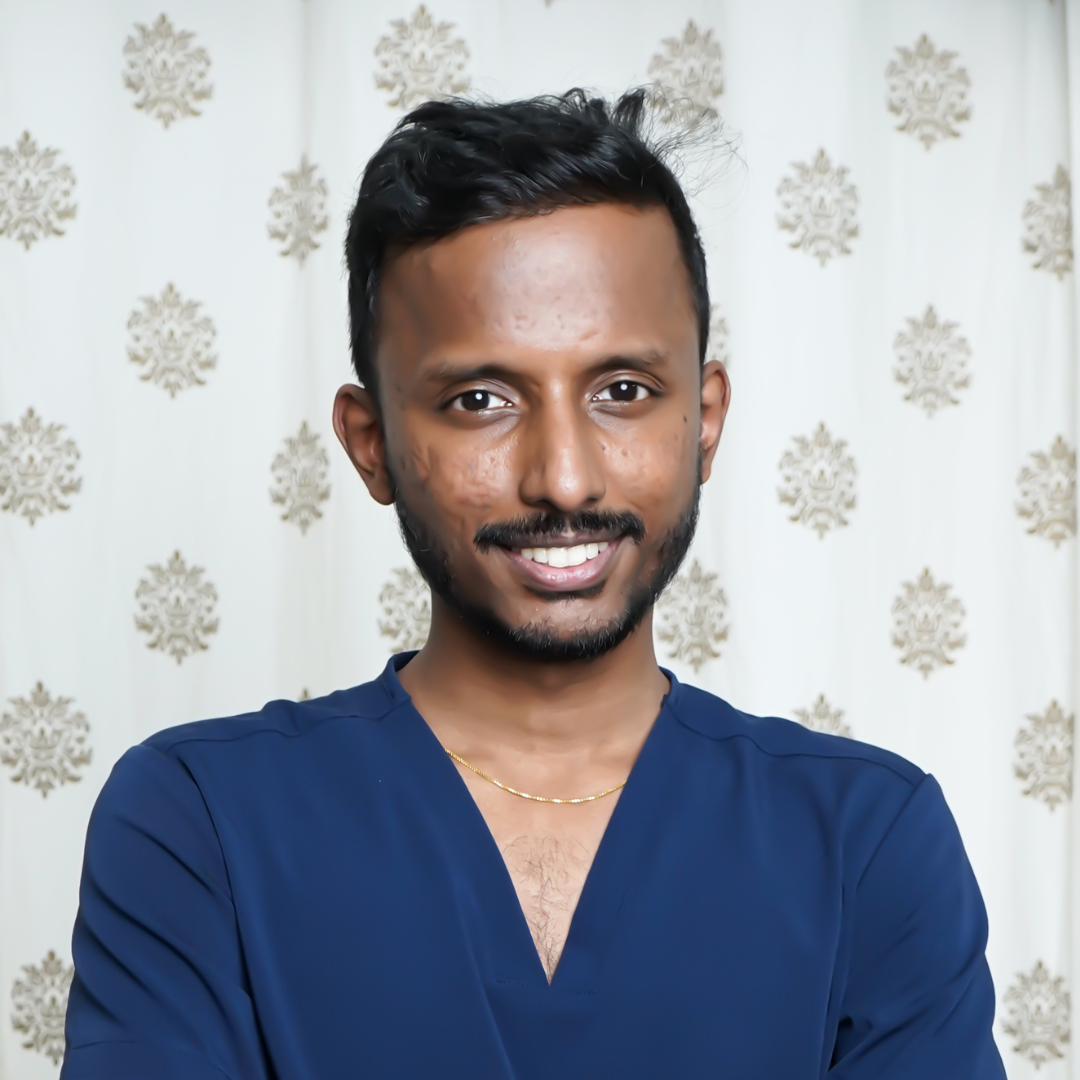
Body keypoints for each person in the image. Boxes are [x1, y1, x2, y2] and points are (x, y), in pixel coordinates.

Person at [61, 89, 1005, 1079]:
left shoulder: (868, 842)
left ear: (706, 421)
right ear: (371, 442)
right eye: (480, 400)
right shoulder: (196, 821)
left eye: (623, 393)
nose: (563, 477)